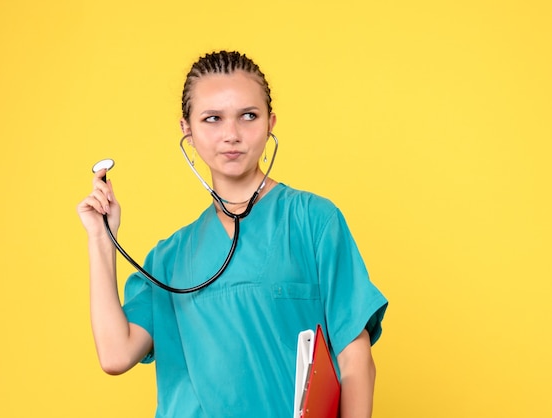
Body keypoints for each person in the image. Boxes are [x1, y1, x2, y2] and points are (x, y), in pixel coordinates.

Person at [77, 50, 388, 418]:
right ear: (187, 130)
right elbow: (115, 355)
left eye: (248, 116)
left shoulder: (313, 221)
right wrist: (101, 239)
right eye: (212, 119)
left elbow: (356, 360)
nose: (231, 135)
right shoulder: (168, 260)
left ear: (271, 122)